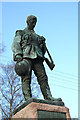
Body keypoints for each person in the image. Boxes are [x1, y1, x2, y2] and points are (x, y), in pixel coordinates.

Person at [12, 15, 61, 101]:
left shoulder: (38, 36)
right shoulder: (20, 32)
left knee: (43, 77)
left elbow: (43, 51)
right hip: (26, 56)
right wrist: (18, 54)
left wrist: (42, 44)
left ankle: (48, 96)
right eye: (32, 21)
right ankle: (28, 97)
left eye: (35, 22)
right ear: (27, 22)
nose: (34, 24)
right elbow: (16, 44)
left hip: (38, 57)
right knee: (26, 77)